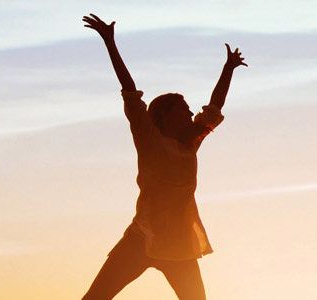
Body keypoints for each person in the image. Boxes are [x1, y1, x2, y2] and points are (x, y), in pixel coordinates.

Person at [79, 13, 247, 300]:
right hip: (140, 238)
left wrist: (228, 68)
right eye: (182, 108)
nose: (189, 111)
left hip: (179, 246)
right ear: (164, 114)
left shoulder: (190, 144)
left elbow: (214, 107)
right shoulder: (148, 138)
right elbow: (130, 91)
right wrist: (109, 42)